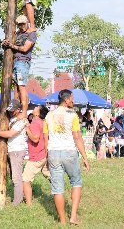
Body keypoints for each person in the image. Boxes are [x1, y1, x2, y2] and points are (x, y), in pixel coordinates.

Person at [42, 89, 90, 226]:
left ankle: (62, 222)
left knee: (57, 188)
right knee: (76, 182)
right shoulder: (72, 115)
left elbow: (46, 139)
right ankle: (73, 216)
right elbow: (77, 137)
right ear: (66, 100)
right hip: (69, 152)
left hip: (53, 153)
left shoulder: (49, 115)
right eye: (72, 98)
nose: (73, 101)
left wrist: (47, 157)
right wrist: (85, 157)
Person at [0, 100, 29, 205]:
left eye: (13, 110)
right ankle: (18, 197)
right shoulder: (14, 119)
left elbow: (11, 134)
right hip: (12, 150)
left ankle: (17, 202)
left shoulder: (22, 121)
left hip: (17, 150)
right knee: (13, 176)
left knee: (16, 178)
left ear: (18, 110)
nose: (11, 112)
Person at [3, 14, 37, 114]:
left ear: (27, 23)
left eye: (23, 24)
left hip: (23, 62)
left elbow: (25, 48)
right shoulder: (17, 34)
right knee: (16, 87)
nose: (21, 26)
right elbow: (8, 44)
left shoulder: (31, 34)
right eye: (19, 25)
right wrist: (5, 43)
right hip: (15, 62)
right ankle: (16, 110)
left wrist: (11, 45)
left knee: (22, 86)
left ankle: (24, 111)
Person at [22, 104, 49, 205]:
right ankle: (58, 187)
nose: (35, 107)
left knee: (25, 179)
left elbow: (35, 138)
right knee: (47, 173)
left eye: (37, 107)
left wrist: (27, 128)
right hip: (43, 154)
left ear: (38, 113)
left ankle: (29, 204)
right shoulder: (42, 122)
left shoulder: (36, 122)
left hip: (36, 156)